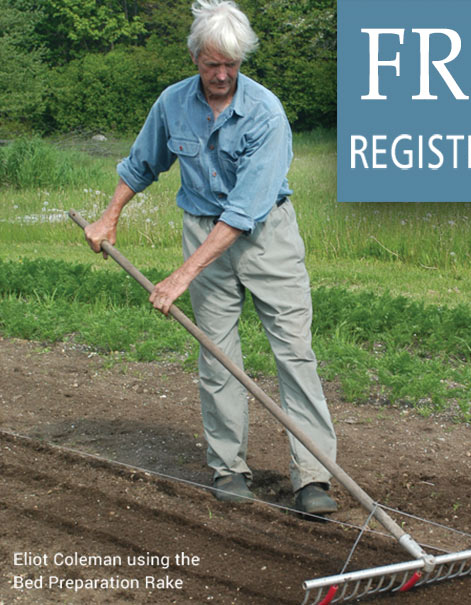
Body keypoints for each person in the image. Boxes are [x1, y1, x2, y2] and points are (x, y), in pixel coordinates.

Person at [84, 0, 338, 515]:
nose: (221, 75)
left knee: (294, 354)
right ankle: (228, 469)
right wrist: (109, 215)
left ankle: (314, 478)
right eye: (211, 64)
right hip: (203, 230)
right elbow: (140, 165)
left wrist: (180, 275)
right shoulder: (173, 104)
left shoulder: (266, 112)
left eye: (231, 65)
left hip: (266, 238)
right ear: (195, 57)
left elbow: (244, 212)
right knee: (217, 354)